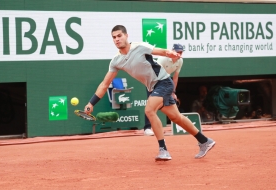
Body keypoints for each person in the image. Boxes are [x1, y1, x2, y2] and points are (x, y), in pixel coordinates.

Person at [84, 25, 215, 161]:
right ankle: (205, 141)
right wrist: (91, 103)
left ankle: (163, 150)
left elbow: (160, 51)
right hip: (153, 87)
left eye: (119, 36)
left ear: (126, 36)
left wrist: (170, 53)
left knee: (149, 110)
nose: (117, 39)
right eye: (114, 37)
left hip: (163, 81)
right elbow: (104, 84)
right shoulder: (116, 61)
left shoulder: (139, 47)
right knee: (176, 117)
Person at [143, 43, 184, 136]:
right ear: (173, 51)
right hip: (153, 80)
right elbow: (154, 72)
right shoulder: (163, 59)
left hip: (165, 82)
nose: (179, 54)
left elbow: (175, 77)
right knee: (151, 105)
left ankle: (176, 126)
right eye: (178, 52)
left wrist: (173, 92)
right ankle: (147, 128)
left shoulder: (180, 61)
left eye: (181, 52)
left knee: (167, 104)